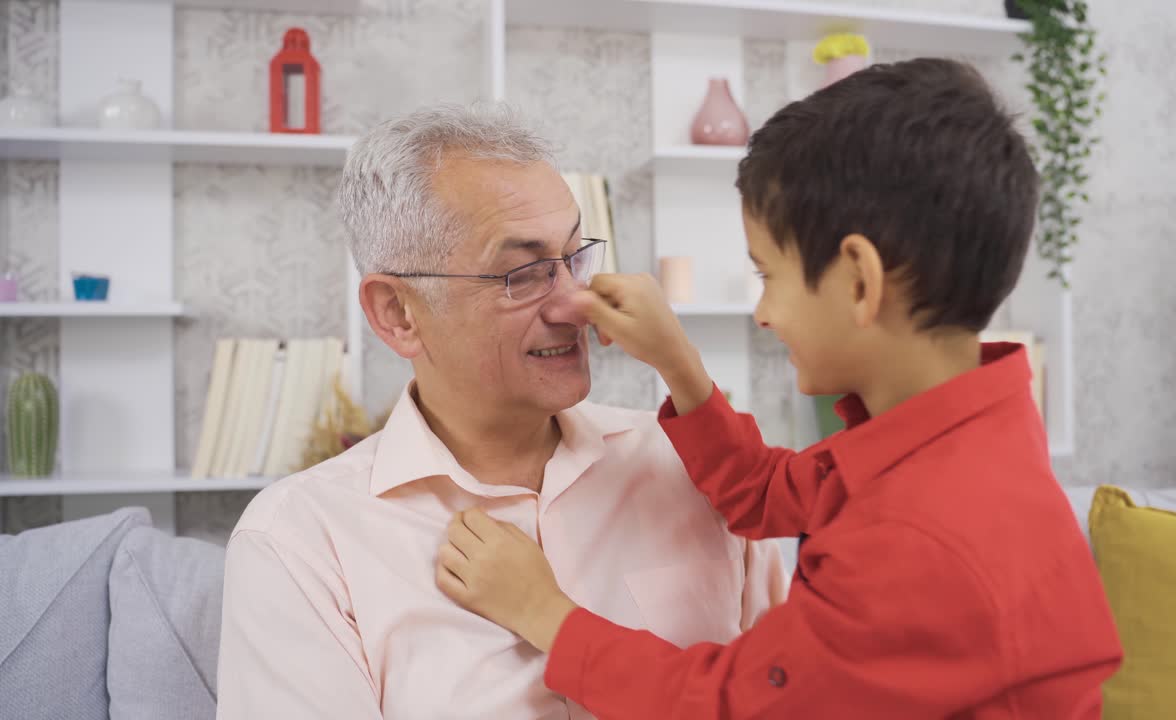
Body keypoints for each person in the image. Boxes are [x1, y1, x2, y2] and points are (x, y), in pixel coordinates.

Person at [434, 59, 1124, 718]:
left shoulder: (916, 540)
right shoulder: (963, 440)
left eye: (768, 275)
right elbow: (767, 493)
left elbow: (729, 709)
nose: (762, 312)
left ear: (858, 280)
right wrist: (679, 365)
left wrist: (543, 613)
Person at [214, 104, 787, 720]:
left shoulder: (698, 467)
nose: (575, 303)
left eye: (575, 257)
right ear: (398, 314)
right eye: (524, 273)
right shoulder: (300, 540)